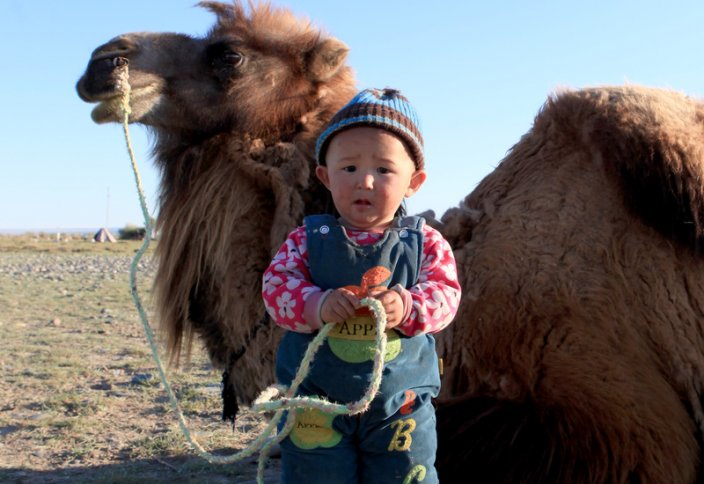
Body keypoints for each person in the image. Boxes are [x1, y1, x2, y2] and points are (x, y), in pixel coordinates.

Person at [262, 88, 461, 483]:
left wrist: (407, 307)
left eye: (384, 170)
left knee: (406, 474)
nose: (365, 181)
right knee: (315, 473)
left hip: (397, 407)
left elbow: (445, 296)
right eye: (349, 168)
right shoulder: (307, 239)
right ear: (325, 176)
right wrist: (315, 304)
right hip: (316, 401)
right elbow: (276, 288)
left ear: (414, 182)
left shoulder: (425, 243)